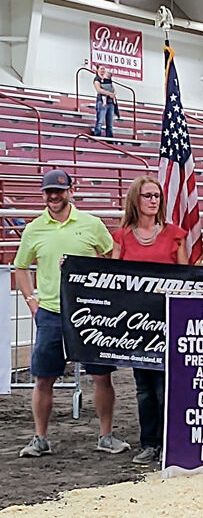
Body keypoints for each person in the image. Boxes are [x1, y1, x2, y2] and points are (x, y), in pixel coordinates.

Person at [14, 169, 130, 457]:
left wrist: (104, 289)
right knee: (43, 377)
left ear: (70, 191)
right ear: (43, 194)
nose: (54, 196)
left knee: (101, 375)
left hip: (89, 311)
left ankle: (106, 434)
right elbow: (20, 266)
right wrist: (32, 301)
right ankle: (40, 437)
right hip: (52, 312)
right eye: (49, 191)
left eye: (59, 191)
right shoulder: (34, 228)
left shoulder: (91, 224)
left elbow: (112, 253)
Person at [111, 176, 187, 464]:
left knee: (166, 384)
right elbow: (112, 278)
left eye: (157, 196)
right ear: (136, 200)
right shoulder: (122, 238)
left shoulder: (175, 234)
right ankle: (149, 443)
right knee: (143, 387)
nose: (153, 200)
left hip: (168, 320)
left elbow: (185, 275)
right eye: (147, 196)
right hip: (135, 324)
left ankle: (171, 442)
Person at [92, 65, 116, 138]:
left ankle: (109, 138)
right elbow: (99, 90)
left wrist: (112, 94)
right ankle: (97, 135)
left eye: (104, 69)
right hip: (102, 101)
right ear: (97, 70)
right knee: (100, 121)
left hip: (110, 102)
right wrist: (109, 93)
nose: (103, 70)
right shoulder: (97, 79)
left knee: (110, 123)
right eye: (101, 69)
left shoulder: (108, 79)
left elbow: (113, 88)